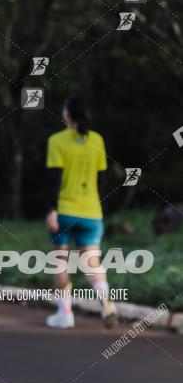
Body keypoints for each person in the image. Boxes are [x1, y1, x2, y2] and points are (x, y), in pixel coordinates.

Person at [45, 95, 117, 329]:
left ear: (67, 114)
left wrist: (52, 210)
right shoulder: (97, 140)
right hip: (92, 212)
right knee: (93, 263)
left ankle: (64, 314)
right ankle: (106, 305)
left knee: (61, 262)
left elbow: (54, 180)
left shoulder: (57, 141)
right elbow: (100, 178)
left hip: (64, 210)